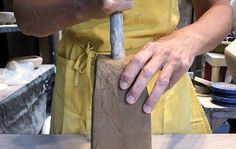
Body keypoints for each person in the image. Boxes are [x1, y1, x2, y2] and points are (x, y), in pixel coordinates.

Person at [13, 0, 232, 134]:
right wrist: (80, 5)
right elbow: (26, 16)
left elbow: (219, 8)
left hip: (159, 76)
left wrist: (188, 40)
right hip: (81, 86)